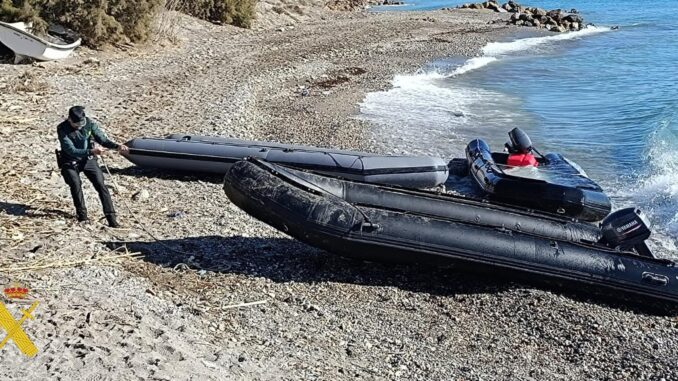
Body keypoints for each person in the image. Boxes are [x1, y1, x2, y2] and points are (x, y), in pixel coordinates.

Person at [57, 106, 129, 227]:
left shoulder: (89, 124)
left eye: (82, 123)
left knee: (101, 185)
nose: (79, 126)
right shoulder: (62, 128)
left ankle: (111, 218)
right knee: (75, 185)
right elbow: (71, 150)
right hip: (70, 160)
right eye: (76, 124)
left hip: (88, 160)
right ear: (69, 119)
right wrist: (92, 151)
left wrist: (116, 146)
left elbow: (102, 139)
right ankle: (82, 216)